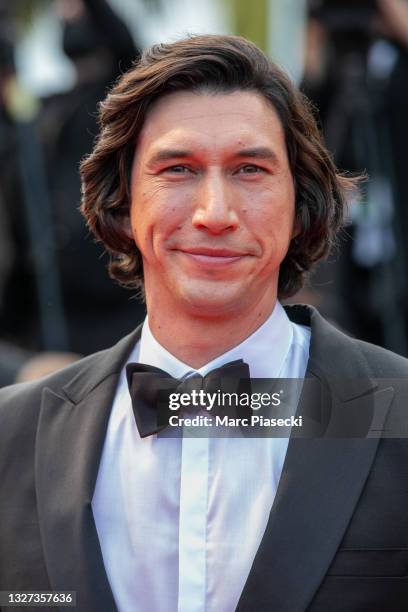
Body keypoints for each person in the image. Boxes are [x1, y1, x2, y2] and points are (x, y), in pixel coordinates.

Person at [0, 34, 407, 612]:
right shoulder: (11, 436)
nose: (215, 213)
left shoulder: (401, 414)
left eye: (249, 169)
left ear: (302, 201)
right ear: (122, 201)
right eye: (178, 168)